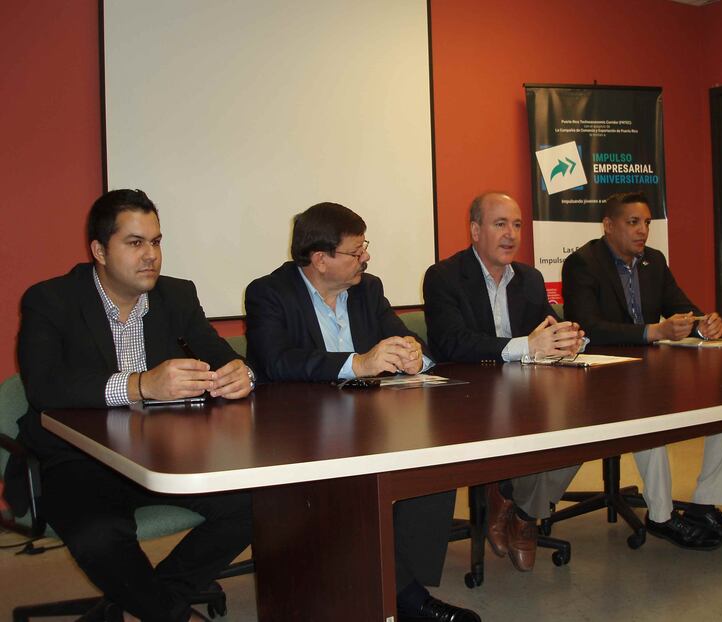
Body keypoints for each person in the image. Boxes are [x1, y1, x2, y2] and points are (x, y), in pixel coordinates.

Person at [8, 189, 254, 622]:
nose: (151, 256)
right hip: (79, 458)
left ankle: (149, 601)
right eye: (135, 243)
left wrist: (241, 374)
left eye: (156, 242)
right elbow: (45, 390)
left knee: (258, 506)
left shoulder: (176, 296)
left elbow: (221, 355)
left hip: (168, 453)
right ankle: (170, 614)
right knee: (99, 537)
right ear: (99, 251)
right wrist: (139, 385)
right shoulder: (51, 301)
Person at [245, 202, 480, 622]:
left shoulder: (367, 288)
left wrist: (413, 354)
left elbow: (407, 339)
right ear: (320, 259)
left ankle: (402, 585)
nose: (365, 258)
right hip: (300, 431)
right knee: (359, 486)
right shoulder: (269, 292)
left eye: (364, 247)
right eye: (356, 252)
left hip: (371, 421)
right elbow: (277, 361)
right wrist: (359, 363)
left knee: (433, 464)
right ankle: (408, 600)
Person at [562, 190, 722, 549]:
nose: (643, 231)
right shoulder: (583, 263)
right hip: (602, 375)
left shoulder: (654, 260)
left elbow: (680, 305)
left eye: (647, 223)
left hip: (652, 368)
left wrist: (704, 323)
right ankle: (662, 517)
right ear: (608, 226)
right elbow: (588, 326)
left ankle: (703, 507)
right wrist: (653, 331)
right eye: (633, 222)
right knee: (644, 408)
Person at [423, 192, 584, 572]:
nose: (511, 234)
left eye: (516, 225)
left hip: (525, 390)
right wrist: (525, 345)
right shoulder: (444, 276)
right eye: (500, 224)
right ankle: (511, 496)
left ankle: (521, 510)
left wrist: (568, 337)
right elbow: (452, 342)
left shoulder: (528, 277)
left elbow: (547, 326)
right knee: (532, 428)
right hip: (468, 396)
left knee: (580, 429)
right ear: (475, 230)